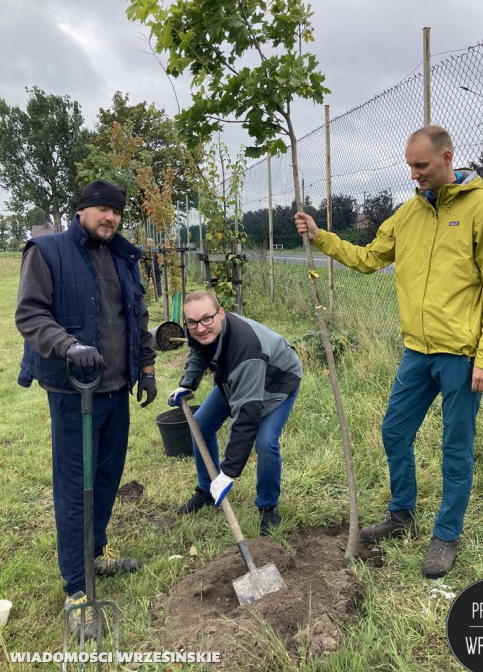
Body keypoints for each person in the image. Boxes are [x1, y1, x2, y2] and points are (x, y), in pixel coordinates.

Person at [294, 125, 483, 578]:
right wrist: (321, 237)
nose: (414, 175)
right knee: (394, 431)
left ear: (448, 158)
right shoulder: (407, 214)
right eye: (410, 166)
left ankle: (446, 535)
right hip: (417, 351)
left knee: (456, 448)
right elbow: (369, 258)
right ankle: (401, 515)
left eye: (422, 166)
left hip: (460, 356)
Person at [15, 178, 158, 639]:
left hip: (117, 389)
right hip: (75, 392)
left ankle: (95, 554)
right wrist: (69, 344)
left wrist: (149, 365)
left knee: (107, 477)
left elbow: (136, 313)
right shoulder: (47, 251)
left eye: (116, 212)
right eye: (101, 210)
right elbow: (31, 315)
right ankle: (78, 587)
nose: (110, 218)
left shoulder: (121, 254)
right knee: (76, 486)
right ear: (82, 211)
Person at [167, 290, 302, 535]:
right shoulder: (200, 328)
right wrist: (187, 384)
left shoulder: (245, 349)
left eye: (207, 319)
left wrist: (229, 472)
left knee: (265, 441)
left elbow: (247, 417)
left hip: (277, 380)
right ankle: (206, 489)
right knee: (200, 424)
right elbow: (198, 352)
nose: (200, 328)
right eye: (192, 322)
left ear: (221, 314)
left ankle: (268, 507)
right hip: (237, 377)